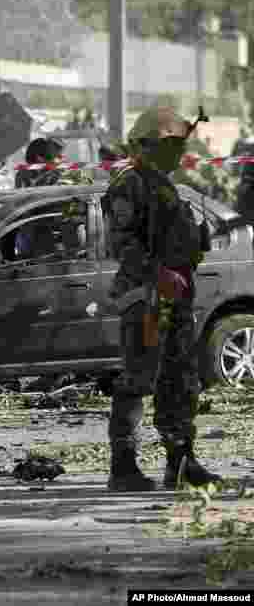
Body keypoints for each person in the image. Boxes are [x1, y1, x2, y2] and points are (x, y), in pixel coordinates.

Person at [100, 106, 221, 492]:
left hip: (177, 297)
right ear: (148, 145)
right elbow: (123, 243)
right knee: (138, 379)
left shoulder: (165, 185)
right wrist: (158, 272)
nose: (176, 153)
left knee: (179, 380)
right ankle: (123, 467)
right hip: (145, 298)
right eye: (170, 145)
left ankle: (181, 461)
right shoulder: (129, 184)